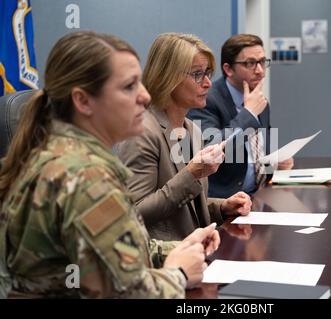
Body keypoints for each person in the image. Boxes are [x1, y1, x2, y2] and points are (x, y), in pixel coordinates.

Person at [0, 31, 220, 299]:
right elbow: (132, 294)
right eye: (128, 86)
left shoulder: (58, 156)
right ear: (82, 100)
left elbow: (104, 251)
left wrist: (174, 250)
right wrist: (179, 274)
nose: (145, 96)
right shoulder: (85, 178)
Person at [116, 33, 251, 242]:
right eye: (197, 74)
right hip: (162, 263)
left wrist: (221, 207)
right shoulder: (142, 132)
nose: (208, 83)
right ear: (168, 77)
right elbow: (135, 213)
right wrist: (191, 174)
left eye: (208, 73)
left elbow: (186, 207)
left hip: (194, 254)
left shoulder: (192, 129)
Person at [188, 34, 293, 198]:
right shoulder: (207, 100)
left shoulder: (259, 100)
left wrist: (275, 163)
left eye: (262, 62)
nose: (259, 71)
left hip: (261, 195)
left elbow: (257, 152)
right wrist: (248, 114)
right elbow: (210, 148)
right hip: (224, 201)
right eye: (250, 63)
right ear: (228, 69)